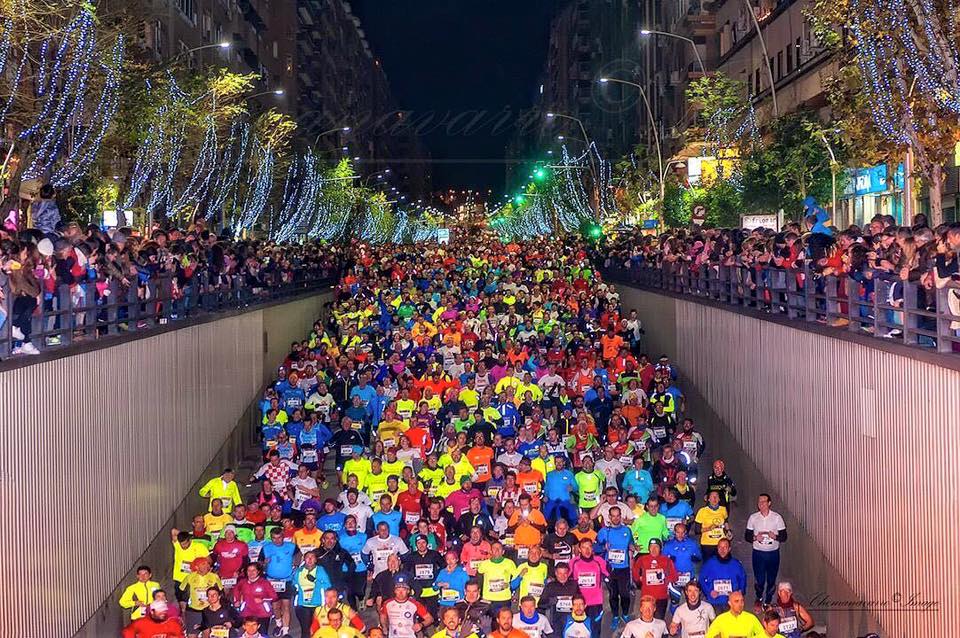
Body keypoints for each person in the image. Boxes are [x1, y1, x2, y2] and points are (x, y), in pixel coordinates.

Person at [745, 493, 787, 608]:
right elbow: (747, 536)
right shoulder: (753, 518)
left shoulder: (777, 518)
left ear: (769, 503)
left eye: (763, 502)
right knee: (760, 580)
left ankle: (768, 601)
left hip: (773, 554)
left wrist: (775, 537)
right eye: (759, 502)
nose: (761, 504)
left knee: (771, 579)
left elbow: (784, 537)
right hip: (758, 554)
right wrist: (755, 538)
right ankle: (758, 597)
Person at [594, 505, 633, 629]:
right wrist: (603, 547)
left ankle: (625, 614)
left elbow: (631, 543)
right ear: (609, 517)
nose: (616, 518)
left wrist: (632, 547)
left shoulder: (627, 530)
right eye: (613, 516)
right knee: (613, 594)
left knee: (625, 593)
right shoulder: (604, 531)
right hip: (610, 568)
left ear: (621, 516)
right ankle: (615, 616)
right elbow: (595, 547)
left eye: (618, 516)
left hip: (624, 567)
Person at [568, 539, 608, 638]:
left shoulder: (599, 561)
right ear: (579, 549)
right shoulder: (573, 562)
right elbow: (566, 578)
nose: (587, 550)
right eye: (584, 547)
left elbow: (609, 575)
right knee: (579, 631)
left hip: (595, 603)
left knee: (595, 630)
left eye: (589, 547)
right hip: (579, 604)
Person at [699, 538, 747, 613]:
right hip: (714, 600)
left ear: (729, 549)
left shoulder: (736, 564)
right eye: (720, 547)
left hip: (731, 601)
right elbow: (701, 578)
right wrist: (709, 591)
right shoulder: (710, 563)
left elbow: (742, 578)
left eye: (725, 547)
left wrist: (740, 591)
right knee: (716, 623)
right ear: (717, 548)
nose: (722, 550)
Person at [292, 550, 333, 637]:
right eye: (307, 557)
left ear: (316, 560)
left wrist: (315, 581)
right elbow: (294, 584)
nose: (310, 559)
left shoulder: (320, 570)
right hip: (302, 605)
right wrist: (295, 589)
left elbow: (328, 585)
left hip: (318, 605)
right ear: (304, 559)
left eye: (312, 557)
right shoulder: (299, 571)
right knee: (305, 629)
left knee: (317, 629)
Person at [121, 601, 185, 638]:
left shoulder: (173, 623)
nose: (163, 612)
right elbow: (127, 631)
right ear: (152, 611)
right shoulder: (141, 622)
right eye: (160, 610)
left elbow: (181, 636)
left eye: (164, 610)